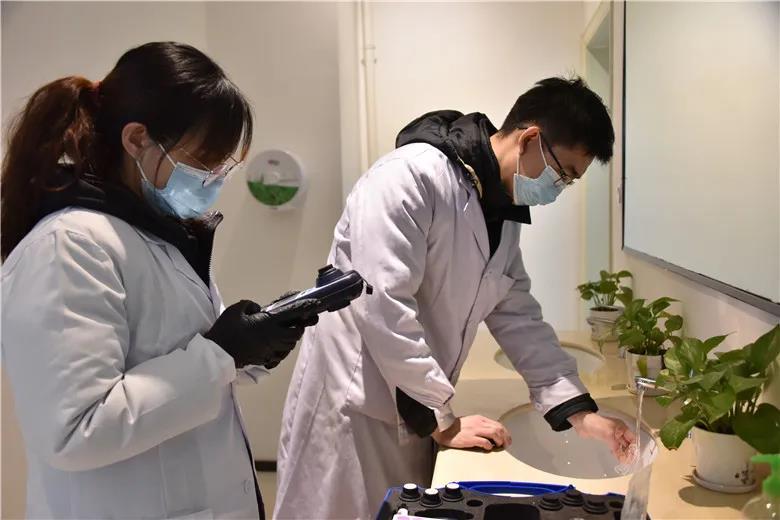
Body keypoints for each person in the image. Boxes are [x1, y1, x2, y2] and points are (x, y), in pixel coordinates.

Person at [274, 77, 636, 519]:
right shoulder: (409, 177)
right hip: (353, 406)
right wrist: (440, 418)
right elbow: (384, 306)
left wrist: (578, 411)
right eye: (563, 174)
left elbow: (517, 313)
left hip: (413, 402)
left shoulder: (500, 211)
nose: (557, 190)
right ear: (530, 139)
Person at [1, 42, 317, 519]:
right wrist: (222, 354)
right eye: (204, 160)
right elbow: (74, 430)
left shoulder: (156, 235)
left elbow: (183, 357)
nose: (214, 177)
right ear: (136, 140)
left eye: (223, 164)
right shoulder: (68, 247)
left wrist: (256, 344)